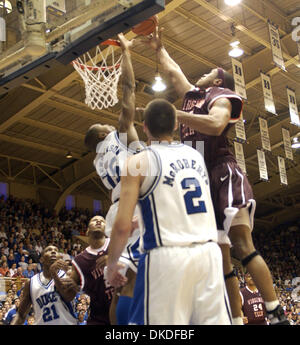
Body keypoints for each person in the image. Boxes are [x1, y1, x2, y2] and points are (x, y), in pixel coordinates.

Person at [143, 26, 289, 325]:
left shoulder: (223, 95)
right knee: (221, 259)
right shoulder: (194, 96)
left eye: (211, 71)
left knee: (243, 246)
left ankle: (276, 311)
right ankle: (234, 320)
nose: (205, 73)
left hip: (223, 172)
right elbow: (173, 72)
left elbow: (215, 124)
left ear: (219, 78)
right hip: (202, 179)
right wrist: (158, 48)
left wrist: (175, 116)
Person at [107, 98, 231, 325]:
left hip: (167, 258)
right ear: (176, 125)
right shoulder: (196, 157)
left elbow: (122, 225)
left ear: (144, 127)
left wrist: (112, 264)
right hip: (209, 255)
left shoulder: (137, 163)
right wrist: (143, 221)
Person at [84, 33, 143, 325]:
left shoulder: (97, 161)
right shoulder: (117, 134)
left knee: (121, 290)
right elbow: (129, 89)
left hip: (115, 210)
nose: (111, 122)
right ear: (100, 134)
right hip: (135, 207)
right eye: (104, 124)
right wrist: (127, 53)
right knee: (144, 279)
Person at [11, 245, 78, 325]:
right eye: (49, 250)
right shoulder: (31, 282)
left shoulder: (68, 275)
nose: (53, 251)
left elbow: (68, 297)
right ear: (41, 259)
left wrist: (54, 274)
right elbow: (21, 315)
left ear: (59, 258)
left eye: (56, 250)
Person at [69, 215, 114, 325]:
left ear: (106, 229)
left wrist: (115, 258)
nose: (98, 221)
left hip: (125, 309)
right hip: (99, 317)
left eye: (102, 221)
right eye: (94, 220)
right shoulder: (79, 261)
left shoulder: (117, 243)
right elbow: (68, 293)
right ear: (88, 230)